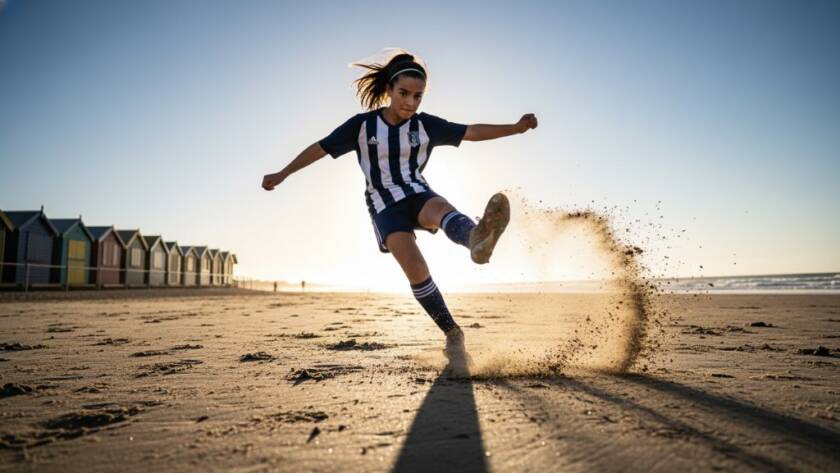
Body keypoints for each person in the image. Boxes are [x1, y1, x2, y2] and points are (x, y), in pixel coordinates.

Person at [262, 50, 537, 375]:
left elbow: (472, 132)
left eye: (417, 96)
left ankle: (475, 239)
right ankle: (452, 333)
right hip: (382, 206)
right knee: (416, 268)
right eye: (404, 93)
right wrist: (283, 173)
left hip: (417, 192)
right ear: (390, 90)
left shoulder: (425, 126)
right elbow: (320, 148)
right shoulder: (362, 126)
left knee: (440, 209)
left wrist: (516, 128)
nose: (410, 102)